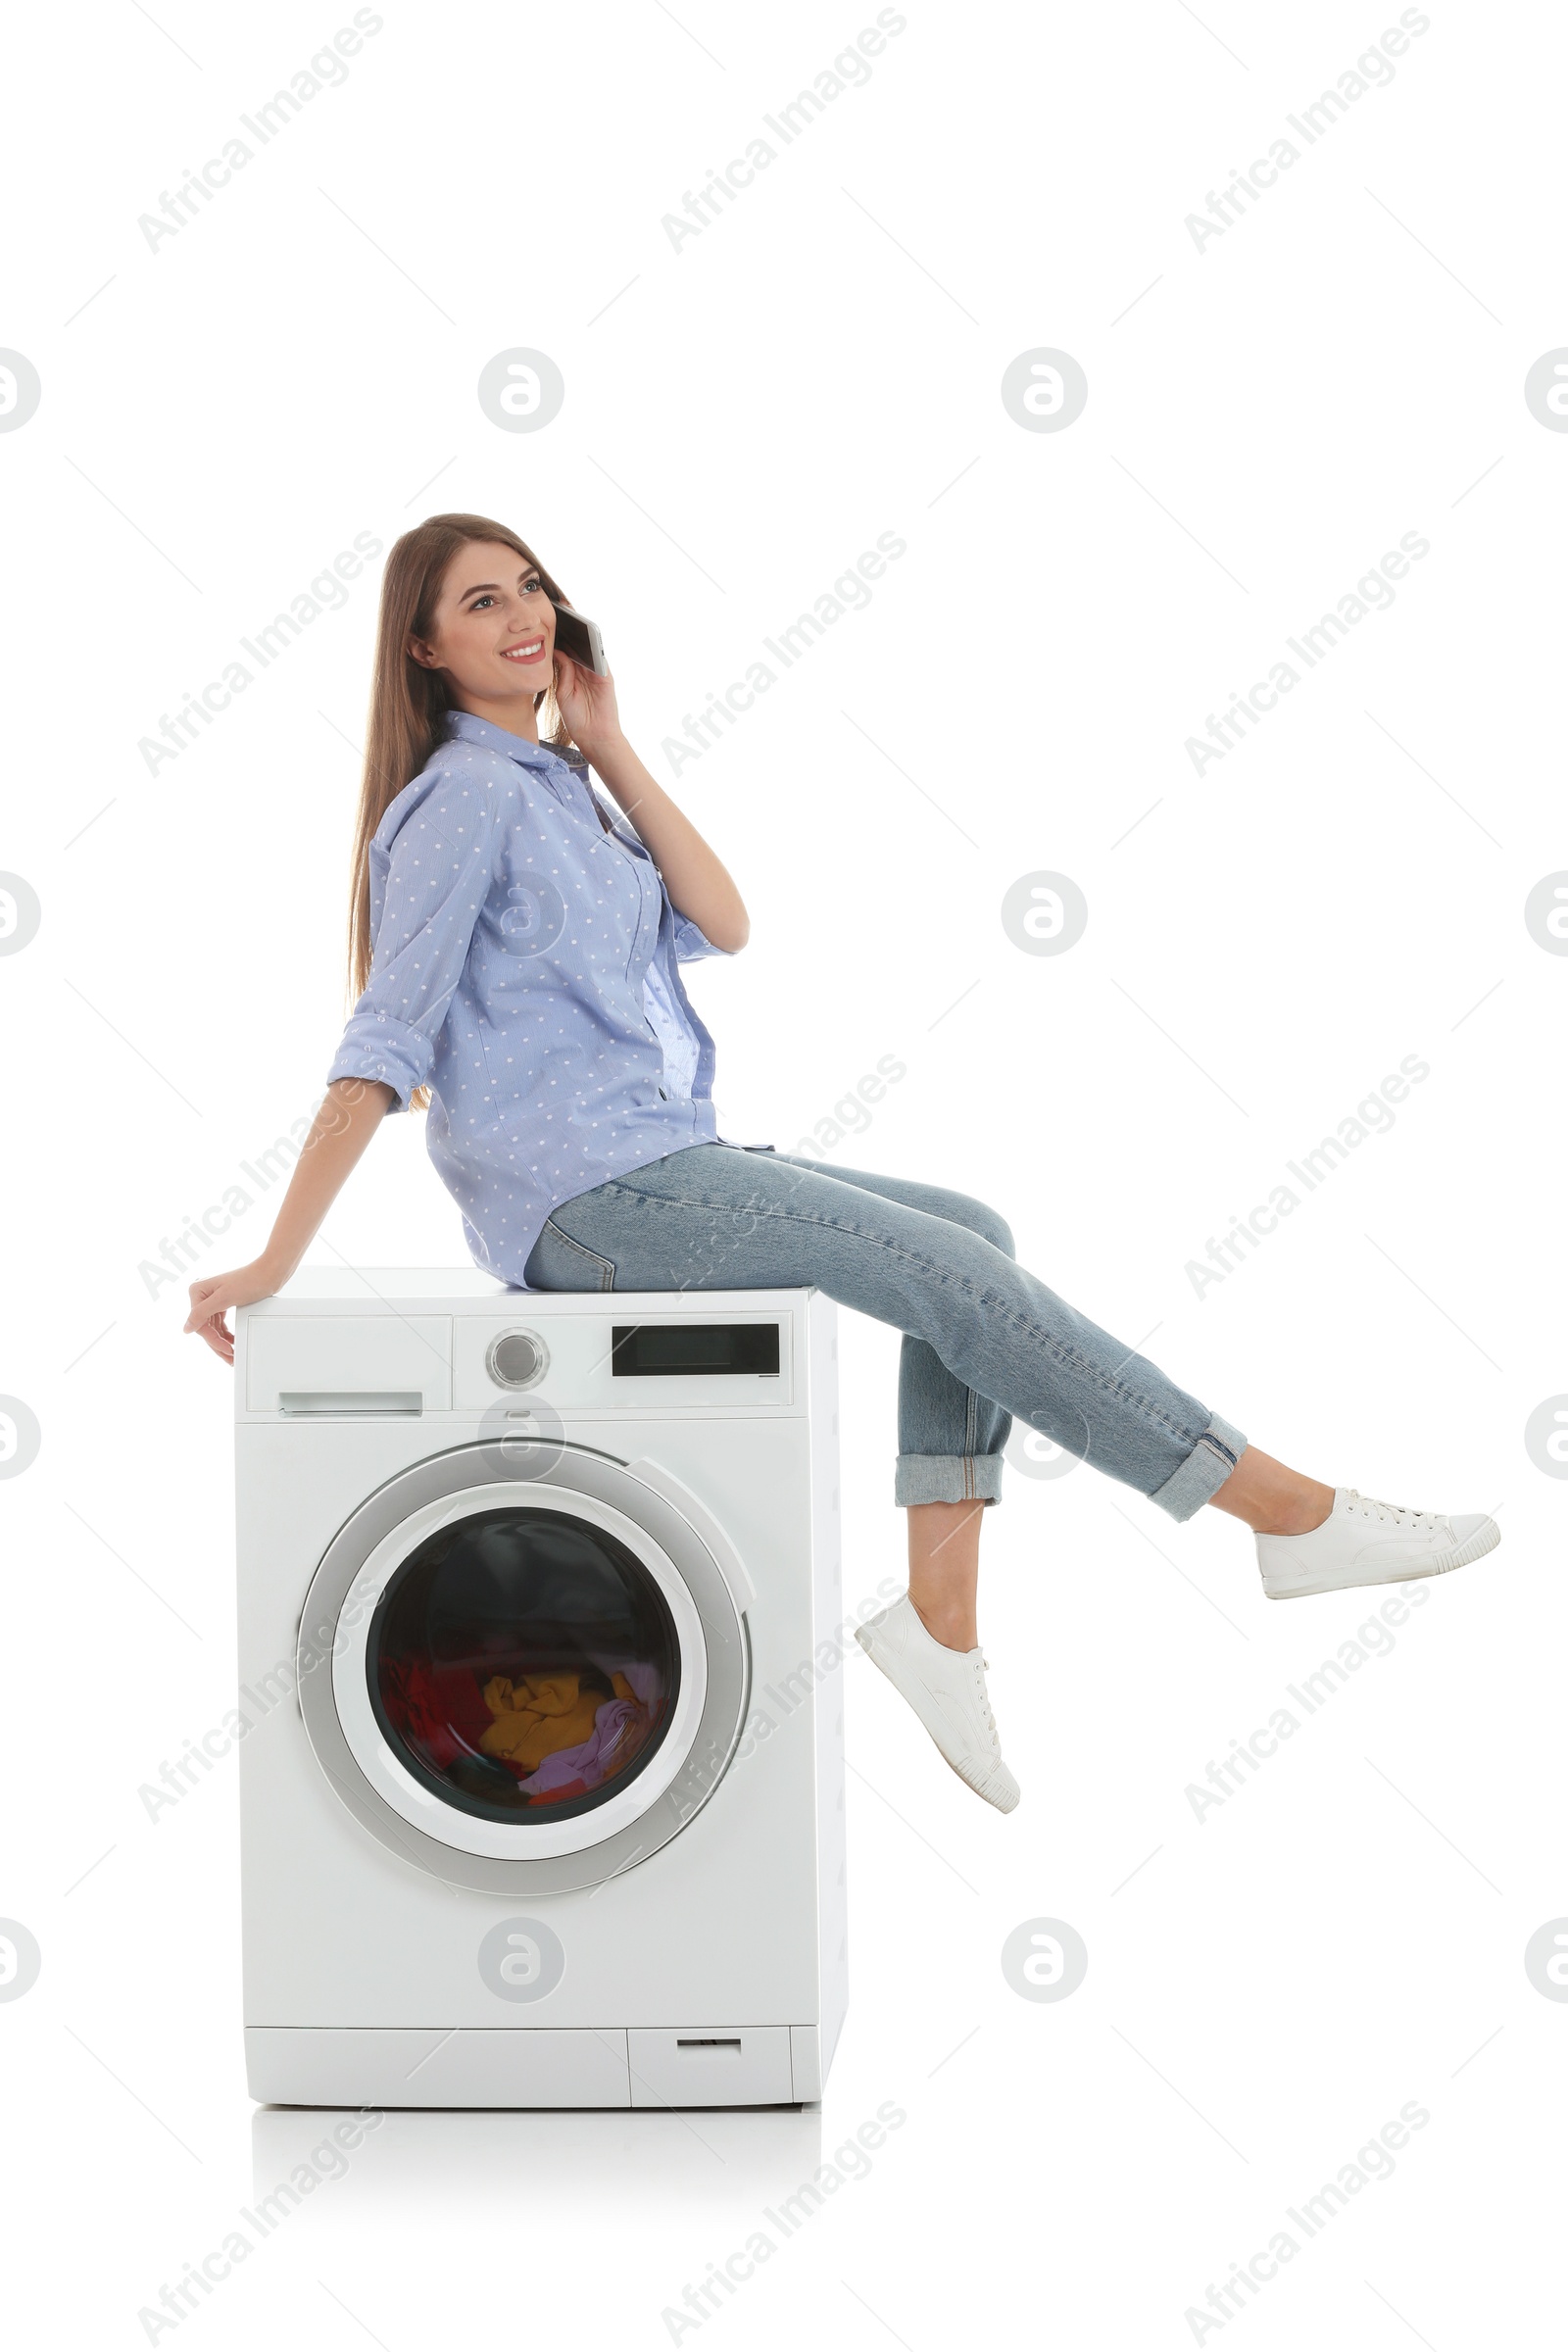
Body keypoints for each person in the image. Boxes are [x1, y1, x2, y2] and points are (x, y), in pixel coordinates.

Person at [185, 512, 1500, 1814]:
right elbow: (380, 1044)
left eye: (530, 587)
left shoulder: (554, 788)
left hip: (653, 1163)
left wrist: (611, 742)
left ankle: (936, 1628)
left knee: (965, 1226)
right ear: (419, 646)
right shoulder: (461, 800)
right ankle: (1280, 1509)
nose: (524, 614)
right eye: (480, 602)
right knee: (939, 1268)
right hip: (586, 1202)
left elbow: (723, 920)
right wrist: (273, 1260)